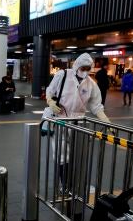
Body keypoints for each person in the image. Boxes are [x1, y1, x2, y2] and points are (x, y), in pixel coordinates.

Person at [46, 53, 112, 194]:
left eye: (88, 68)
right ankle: (65, 185)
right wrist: (50, 101)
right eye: (83, 67)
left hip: (79, 124)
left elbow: (96, 106)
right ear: (76, 65)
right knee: (62, 155)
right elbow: (50, 91)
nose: (85, 70)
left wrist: (107, 122)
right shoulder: (62, 75)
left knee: (79, 156)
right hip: (60, 121)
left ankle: (77, 184)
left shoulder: (91, 84)